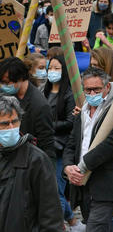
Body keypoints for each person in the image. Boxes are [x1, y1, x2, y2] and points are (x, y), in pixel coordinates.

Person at [63, 67, 113, 230]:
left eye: (96, 89)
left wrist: (83, 165)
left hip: (108, 182)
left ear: (107, 87)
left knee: (95, 226)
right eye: (88, 90)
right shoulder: (82, 110)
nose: (92, 94)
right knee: (105, 224)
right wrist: (68, 167)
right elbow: (72, 143)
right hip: (83, 184)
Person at [0, 95, 63, 231]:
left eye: (15, 121)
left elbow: (50, 213)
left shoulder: (36, 160)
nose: (11, 127)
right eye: (5, 124)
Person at [43, 55, 85, 230]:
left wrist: (46, 125)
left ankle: (60, 225)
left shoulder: (69, 94)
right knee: (52, 189)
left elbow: (69, 122)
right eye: (50, 68)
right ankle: (73, 222)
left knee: (55, 190)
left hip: (61, 147)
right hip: (45, 145)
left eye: (57, 68)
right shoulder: (42, 91)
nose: (52, 72)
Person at [0, 57, 55, 159]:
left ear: (20, 78)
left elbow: (46, 143)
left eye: (7, 83)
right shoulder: (7, 95)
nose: (3, 86)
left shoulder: (40, 105)